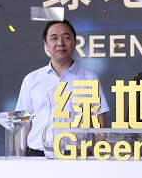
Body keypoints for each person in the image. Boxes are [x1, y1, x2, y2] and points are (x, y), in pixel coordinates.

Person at [15, 20, 109, 156]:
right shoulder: (31, 79)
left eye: (66, 38)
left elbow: (99, 125)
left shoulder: (90, 79)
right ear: (46, 45)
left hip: (79, 156)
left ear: (75, 43)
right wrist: (19, 159)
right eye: (54, 38)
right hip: (39, 157)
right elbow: (22, 125)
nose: (60, 43)